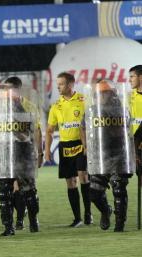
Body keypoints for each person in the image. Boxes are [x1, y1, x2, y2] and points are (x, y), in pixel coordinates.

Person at [0, 77, 43, 236]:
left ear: (17, 89)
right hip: (3, 152)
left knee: (28, 190)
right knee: (4, 191)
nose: (5, 91)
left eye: (8, 88)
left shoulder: (29, 105)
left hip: (23, 151)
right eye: (4, 89)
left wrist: (40, 152)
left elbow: (35, 131)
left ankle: (33, 220)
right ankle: (8, 227)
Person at [45, 72, 92, 227]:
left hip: (81, 144)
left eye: (61, 84)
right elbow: (50, 130)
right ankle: (77, 218)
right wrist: (46, 150)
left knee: (83, 176)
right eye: (57, 84)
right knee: (71, 182)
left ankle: (88, 214)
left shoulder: (83, 101)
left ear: (71, 84)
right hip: (65, 146)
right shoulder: (55, 106)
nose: (58, 86)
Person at [86, 80, 133, 232]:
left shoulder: (121, 110)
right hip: (100, 156)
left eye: (103, 93)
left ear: (111, 93)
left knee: (119, 190)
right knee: (94, 193)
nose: (100, 96)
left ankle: (120, 224)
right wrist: (87, 146)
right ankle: (106, 211)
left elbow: (125, 132)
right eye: (98, 94)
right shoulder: (93, 110)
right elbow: (83, 128)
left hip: (118, 154)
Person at [129, 65, 142, 174]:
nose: (129, 80)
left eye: (132, 77)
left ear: (141, 77)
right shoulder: (128, 97)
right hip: (136, 146)